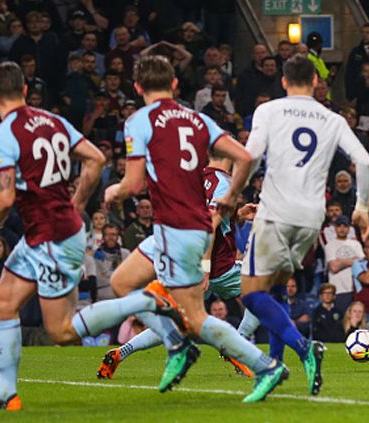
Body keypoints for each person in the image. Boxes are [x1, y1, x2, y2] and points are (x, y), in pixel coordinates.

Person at [0, 61, 153, 411]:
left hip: (53, 237)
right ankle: (6, 394)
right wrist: (77, 200)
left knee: (62, 332)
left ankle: (145, 302)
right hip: (43, 234)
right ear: (23, 90)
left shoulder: (1, 137)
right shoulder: (53, 121)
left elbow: (3, 199)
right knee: (1, 305)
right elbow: (95, 158)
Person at [102, 55, 282, 403]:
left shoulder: (146, 127)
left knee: (176, 312)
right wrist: (207, 260)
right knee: (246, 305)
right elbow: (219, 204)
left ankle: (136, 350)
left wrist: (238, 212)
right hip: (205, 252)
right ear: (174, 84)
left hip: (185, 239)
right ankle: (245, 357)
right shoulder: (207, 144)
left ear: (138, 87)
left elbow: (141, 184)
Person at [239, 55, 369, 397]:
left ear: (283, 81)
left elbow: (251, 156)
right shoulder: (332, 118)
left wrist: (232, 195)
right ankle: (273, 367)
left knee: (252, 294)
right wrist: (360, 207)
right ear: (316, 81)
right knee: (278, 290)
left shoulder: (268, 111)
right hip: (311, 220)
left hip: (275, 212)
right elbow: (364, 160)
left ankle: (302, 349)